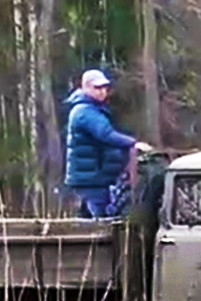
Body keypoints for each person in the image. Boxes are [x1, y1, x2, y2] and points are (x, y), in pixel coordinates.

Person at [63, 69, 153, 218]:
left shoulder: (92, 109)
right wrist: (133, 144)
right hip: (91, 177)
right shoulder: (85, 112)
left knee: (87, 219)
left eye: (105, 88)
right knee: (102, 219)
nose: (102, 92)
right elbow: (106, 135)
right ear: (85, 87)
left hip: (92, 176)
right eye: (97, 88)